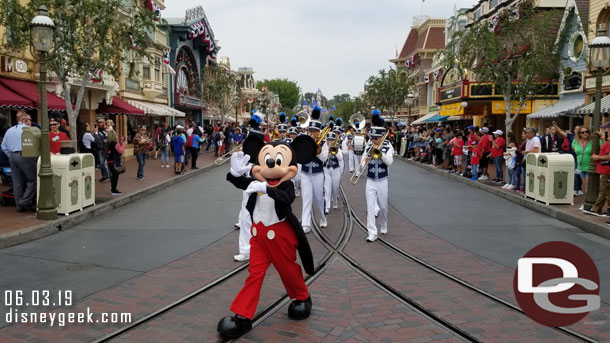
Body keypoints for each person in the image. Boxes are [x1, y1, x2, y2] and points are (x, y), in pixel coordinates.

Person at [218, 134, 316, 338]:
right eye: (265, 162)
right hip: (259, 239)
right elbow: (242, 183)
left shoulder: (285, 185)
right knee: (254, 275)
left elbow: (287, 198)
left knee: (288, 270)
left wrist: (267, 189)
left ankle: (302, 297)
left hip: (280, 237)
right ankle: (242, 315)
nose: (270, 168)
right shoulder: (256, 181)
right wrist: (235, 174)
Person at [364, 111, 393, 242]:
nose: (373, 140)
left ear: (382, 137)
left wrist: (381, 154)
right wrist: (365, 161)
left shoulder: (388, 146)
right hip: (370, 180)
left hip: (382, 180)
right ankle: (372, 232)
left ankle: (384, 223)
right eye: (372, 138)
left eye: (375, 138)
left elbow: (390, 162)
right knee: (370, 206)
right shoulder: (368, 146)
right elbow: (362, 162)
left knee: (383, 206)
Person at [1, 111, 36, 212]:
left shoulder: (10, 130)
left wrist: (11, 155)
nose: (30, 122)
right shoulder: (28, 130)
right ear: (25, 120)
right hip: (25, 155)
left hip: (12, 156)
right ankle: (24, 202)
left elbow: (3, 146)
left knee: (17, 182)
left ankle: (19, 205)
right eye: (29, 120)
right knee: (33, 179)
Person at [300, 107, 328, 233]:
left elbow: (324, 159)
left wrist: (317, 149)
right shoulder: (305, 141)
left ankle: (322, 217)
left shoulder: (324, 143)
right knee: (306, 198)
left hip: (317, 173)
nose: (312, 133)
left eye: (314, 131)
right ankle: (306, 223)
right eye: (310, 130)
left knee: (318, 197)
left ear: (319, 132)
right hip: (305, 173)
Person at [585, 122, 610, 216]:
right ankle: (597, 208)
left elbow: (608, 156)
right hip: (604, 168)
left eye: (604, 128)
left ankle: (598, 208)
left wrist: (598, 157)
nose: (603, 130)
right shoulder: (606, 141)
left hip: (606, 169)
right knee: (604, 190)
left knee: (605, 190)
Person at [323, 132, 343, 213]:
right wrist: (326, 154)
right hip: (326, 170)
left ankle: (335, 202)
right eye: (328, 140)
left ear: (335, 140)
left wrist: (335, 150)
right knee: (327, 188)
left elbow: (341, 158)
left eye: (332, 140)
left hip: (336, 170)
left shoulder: (337, 147)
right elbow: (322, 159)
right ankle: (327, 206)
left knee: (335, 188)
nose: (330, 141)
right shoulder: (324, 147)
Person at [572, 126, 593, 195]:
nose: (585, 133)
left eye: (587, 132)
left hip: (590, 166)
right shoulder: (575, 141)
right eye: (582, 132)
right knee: (584, 185)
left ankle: (588, 203)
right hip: (580, 167)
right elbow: (575, 150)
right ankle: (588, 202)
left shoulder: (593, 141)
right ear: (579, 134)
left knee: (588, 185)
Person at [106, 121, 124, 195]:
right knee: (115, 176)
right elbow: (121, 151)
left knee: (112, 175)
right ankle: (114, 190)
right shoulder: (115, 144)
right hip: (115, 161)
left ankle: (112, 189)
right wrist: (122, 143)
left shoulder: (108, 144)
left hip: (109, 160)